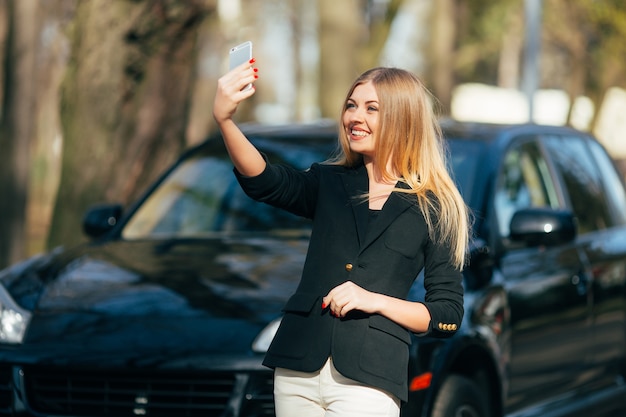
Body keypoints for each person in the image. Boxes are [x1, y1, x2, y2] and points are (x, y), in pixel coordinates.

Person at [213, 59, 470, 417]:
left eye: (371, 108)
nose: (354, 117)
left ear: (403, 118)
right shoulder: (329, 181)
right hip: (298, 368)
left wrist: (374, 300)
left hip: (371, 378)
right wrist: (225, 121)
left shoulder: (436, 207)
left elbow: (447, 315)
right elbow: (266, 182)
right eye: (351, 105)